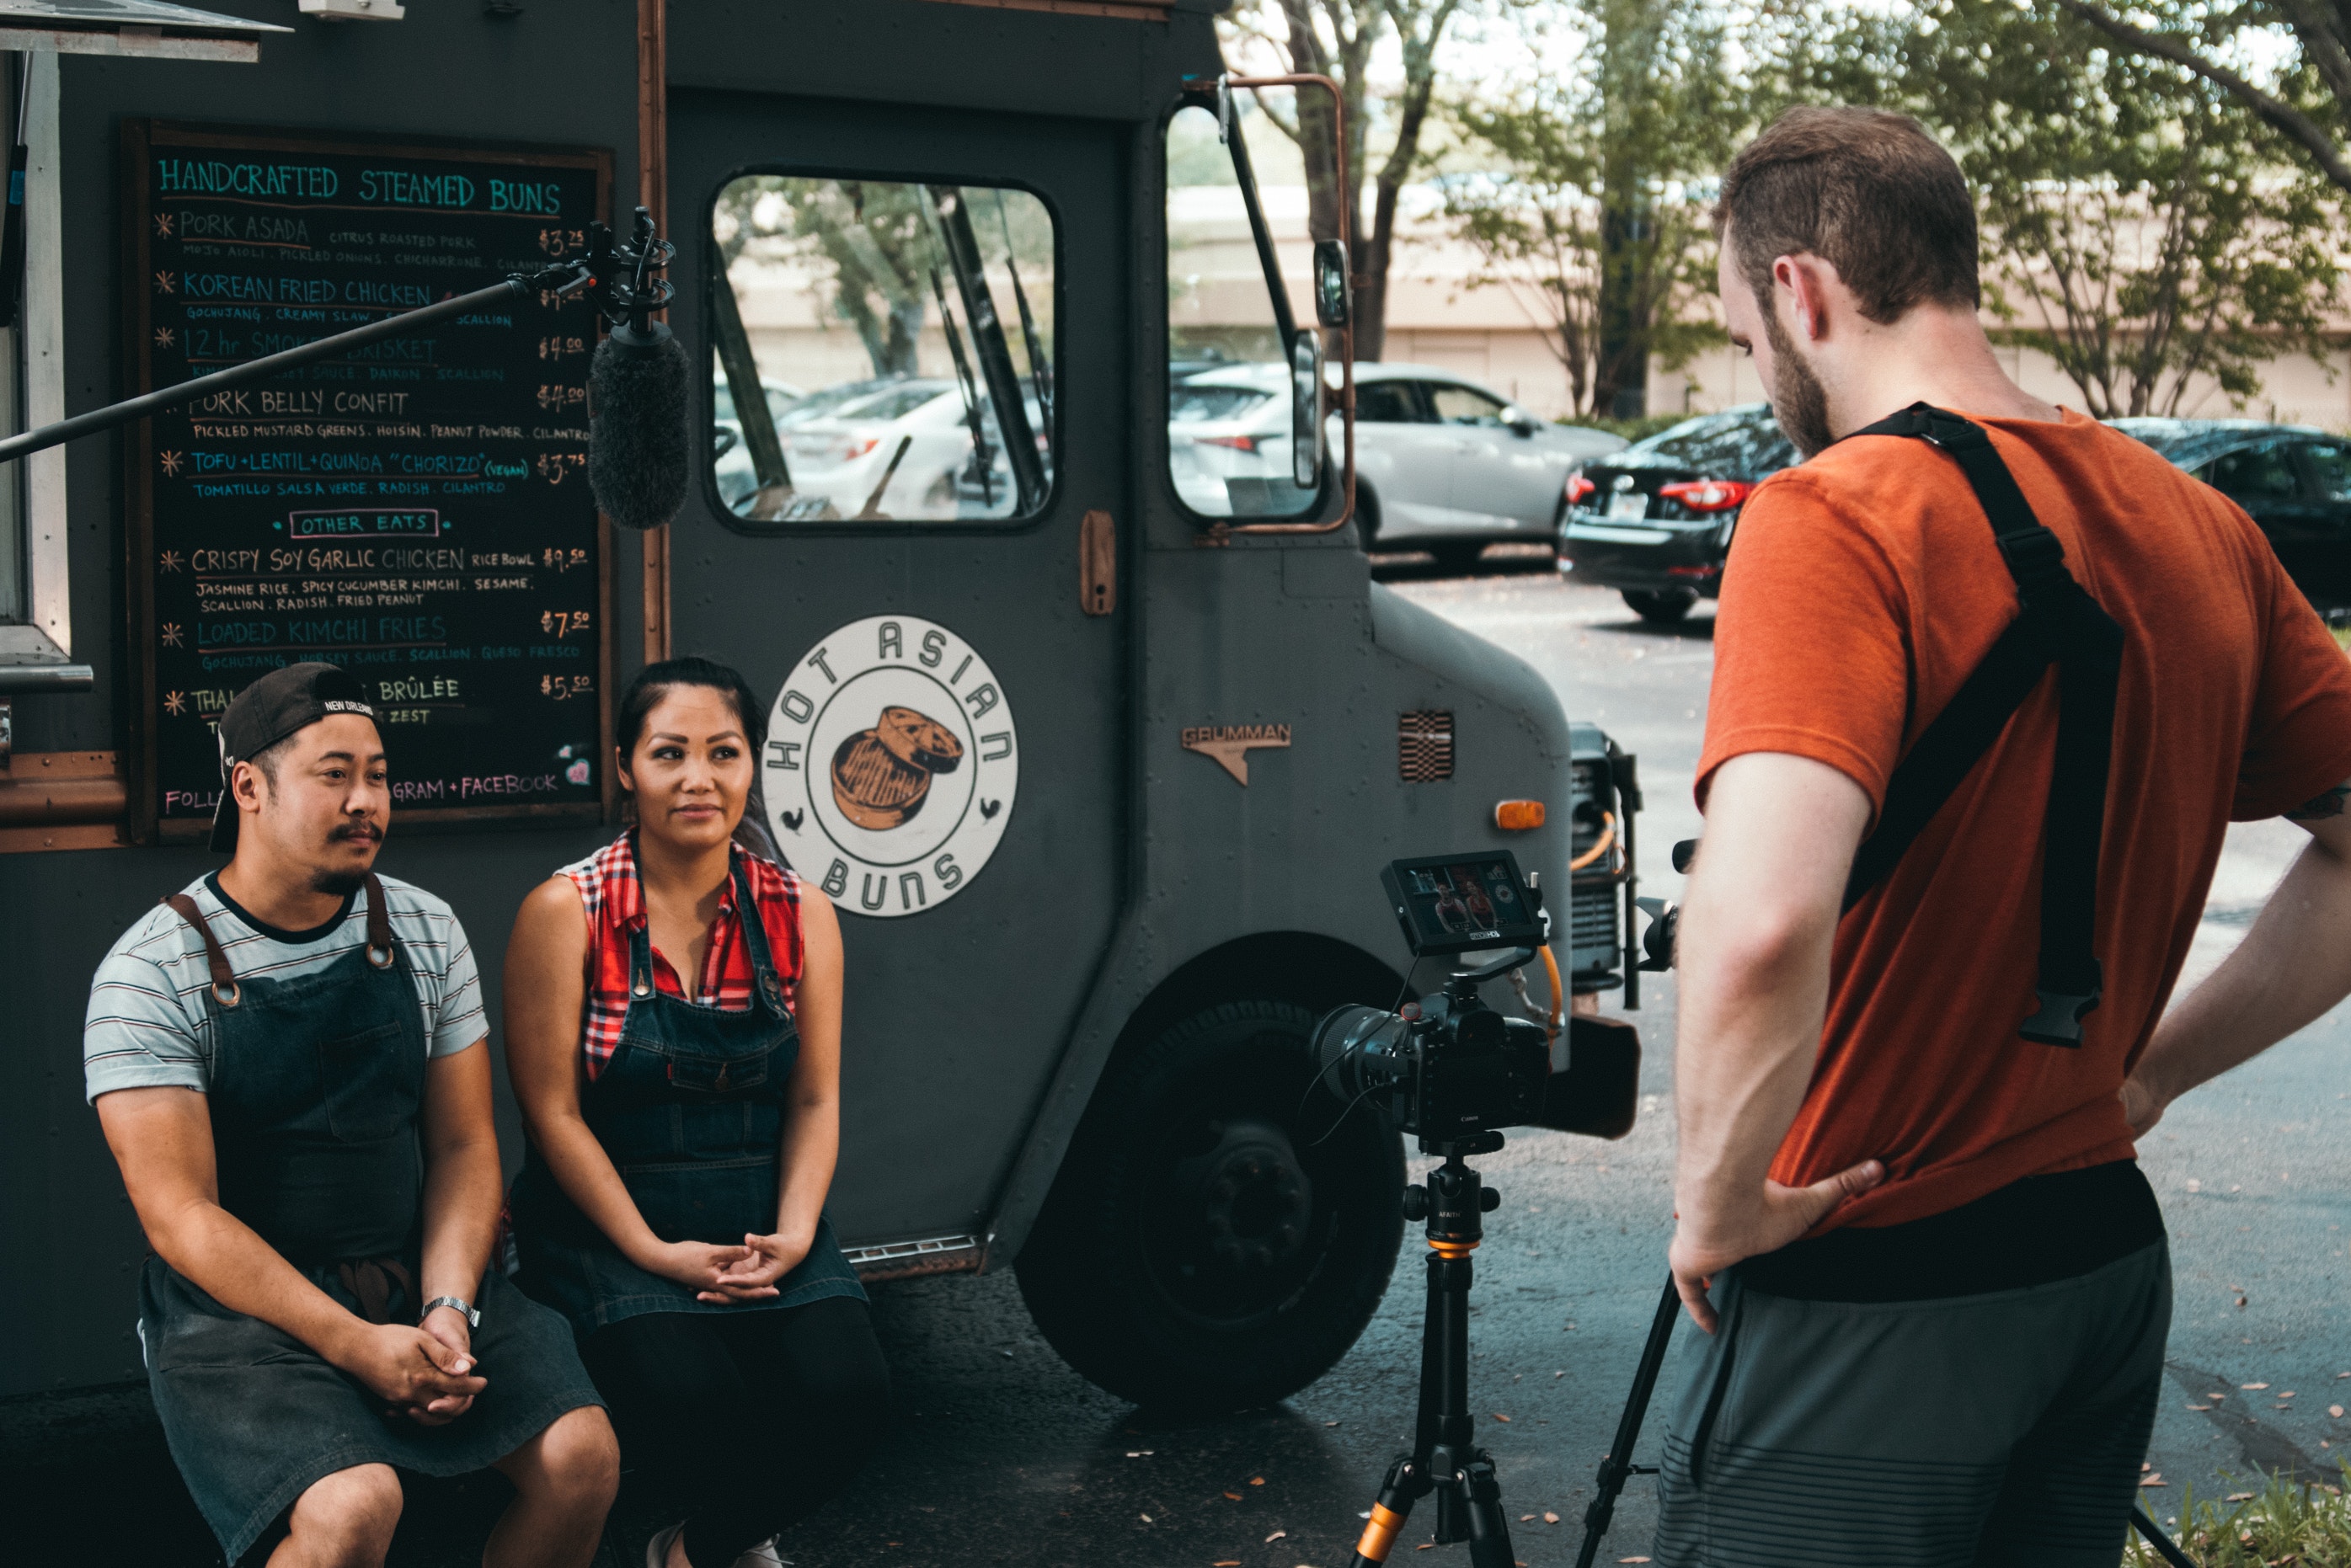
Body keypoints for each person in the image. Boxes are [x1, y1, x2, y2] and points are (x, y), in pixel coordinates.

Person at [1654, 107, 2351, 1567]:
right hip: (2096, 1263)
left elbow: (1764, 914)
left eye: (1741, 332)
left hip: (1876, 1285)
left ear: (1801, 291)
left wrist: (1717, 1196)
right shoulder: (2199, 524)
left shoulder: (1830, 515)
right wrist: (2150, 1070)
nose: (1755, 368)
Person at [83, 663, 617, 1568]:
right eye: (334, 774)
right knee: (355, 1506)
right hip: (243, 1317)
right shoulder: (148, 969)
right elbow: (181, 1215)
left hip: (415, 1270)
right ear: (248, 785)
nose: (366, 798)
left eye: (376, 774)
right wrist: (357, 1344)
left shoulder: (423, 925)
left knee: (582, 1457)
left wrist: (447, 1306)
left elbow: (460, 1144)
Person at [505, 656, 889, 1568]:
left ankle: (695, 1548)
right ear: (625, 766)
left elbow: (815, 1094)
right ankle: (731, 1534)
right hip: (611, 1223)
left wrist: (794, 1235)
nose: (698, 777)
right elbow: (552, 1114)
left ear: (752, 764)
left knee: (855, 1396)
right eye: (669, 752)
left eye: (723, 751)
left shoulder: (801, 911)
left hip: (757, 1213)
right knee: (695, 1395)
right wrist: (650, 1249)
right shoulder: (565, 911)